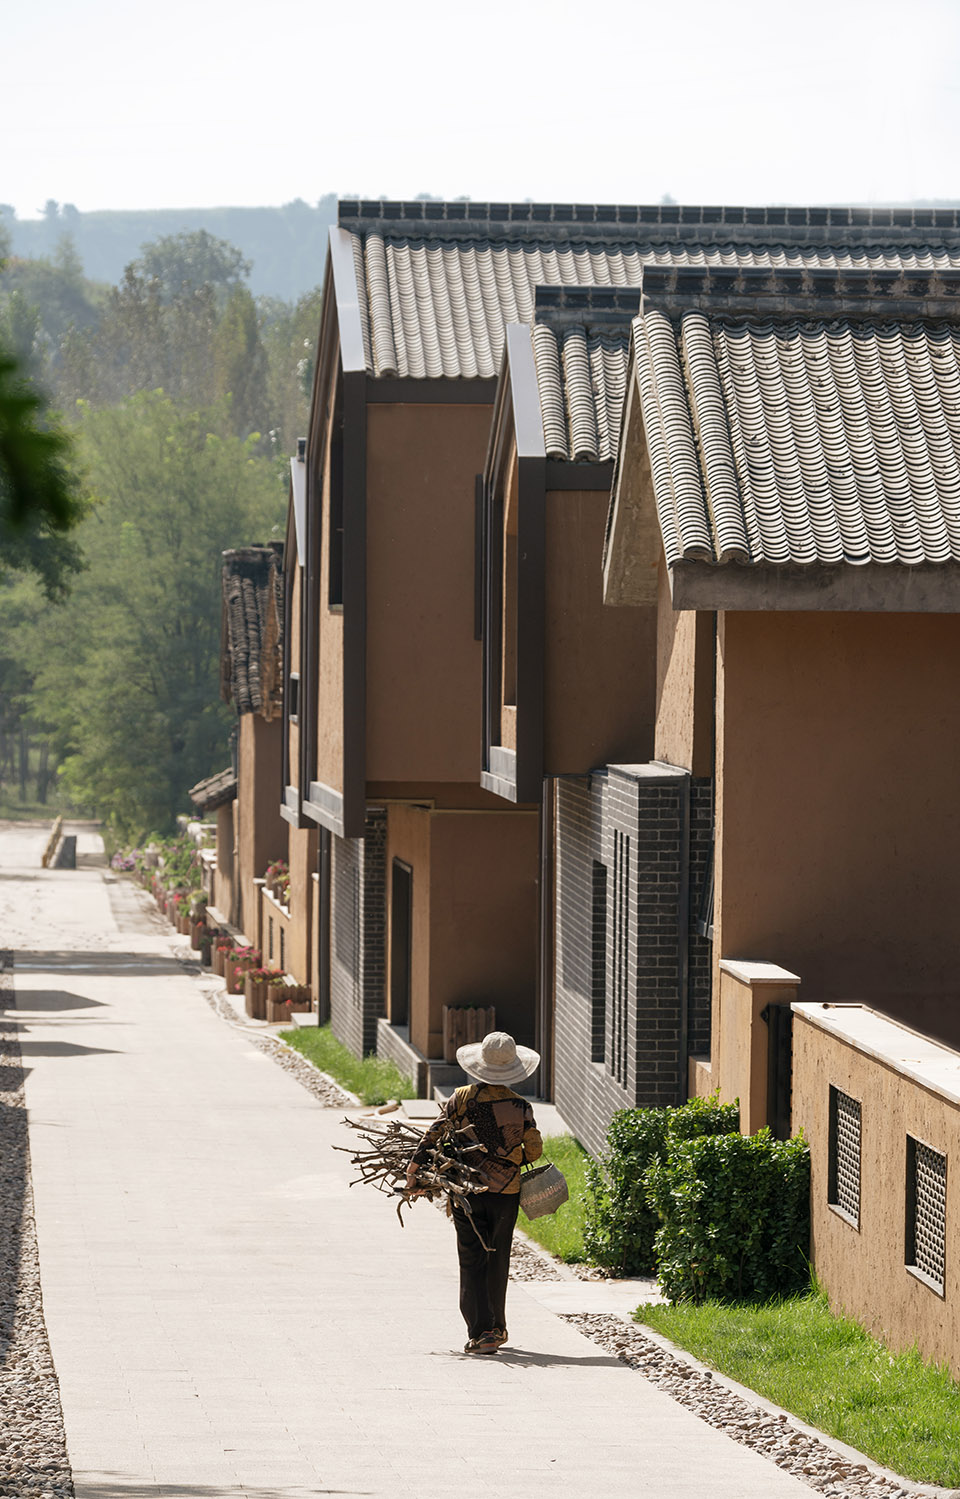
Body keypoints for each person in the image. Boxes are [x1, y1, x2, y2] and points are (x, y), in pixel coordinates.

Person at [405, 1030, 542, 1356]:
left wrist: (413, 1173)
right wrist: (515, 1155)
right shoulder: (521, 1107)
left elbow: (433, 1135)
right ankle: (497, 1327)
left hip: (467, 1192)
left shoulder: (462, 1098)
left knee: (471, 1258)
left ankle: (480, 1332)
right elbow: (533, 1151)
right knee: (498, 1258)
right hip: (506, 1194)